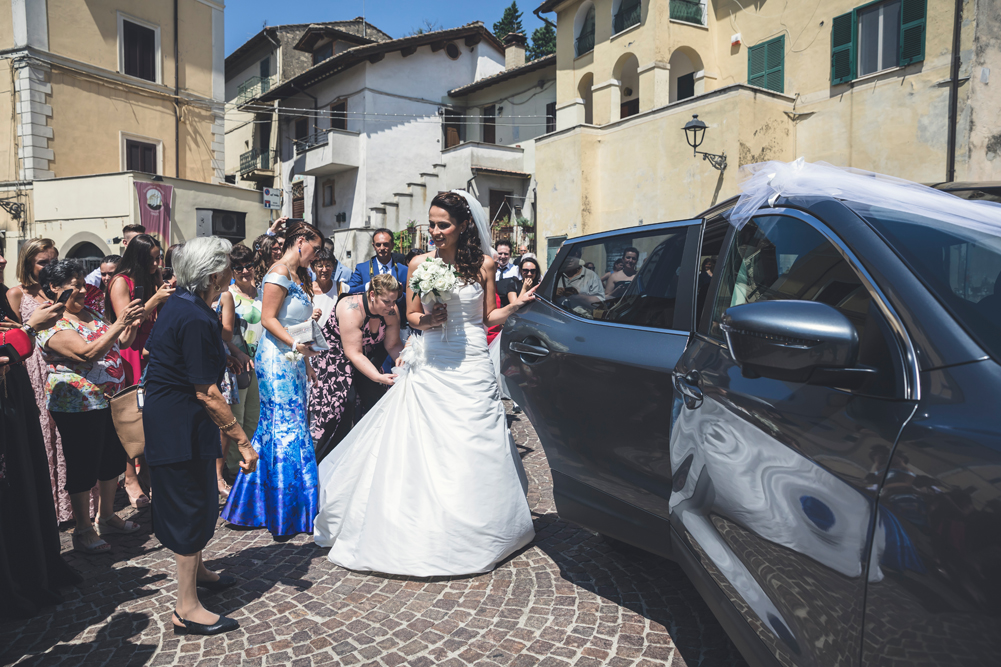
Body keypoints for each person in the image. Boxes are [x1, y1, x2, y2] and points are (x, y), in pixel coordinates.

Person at [313, 190, 537, 576]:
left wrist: (514, 307)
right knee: (427, 444)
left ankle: (486, 526)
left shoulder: (484, 264)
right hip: (433, 361)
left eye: (443, 224)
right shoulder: (418, 264)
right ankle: (427, 527)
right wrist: (427, 322)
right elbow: (411, 315)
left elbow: (487, 316)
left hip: (471, 363)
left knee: (476, 439)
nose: (434, 231)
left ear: (463, 225)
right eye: (431, 223)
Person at [143, 237, 258, 637]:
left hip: (184, 419)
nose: (232, 270)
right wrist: (242, 440)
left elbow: (190, 359)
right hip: (178, 424)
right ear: (213, 274)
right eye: (227, 265)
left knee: (198, 499)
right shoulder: (192, 315)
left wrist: (226, 354)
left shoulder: (189, 307)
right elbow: (205, 391)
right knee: (190, 505)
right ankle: (186, 608)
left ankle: (200, 572)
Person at [35, 260, 146, 553]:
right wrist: (120, 324)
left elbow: (118, 342)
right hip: (77, 404)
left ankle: (107, 516)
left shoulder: (92, 313)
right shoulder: (51, 320)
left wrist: (130, 325)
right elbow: (86, 352)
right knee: (83, 463)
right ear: (53, 288)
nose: (83, 290)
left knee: (111, 459)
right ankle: (83, 528)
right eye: (75, 285)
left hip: (109, 400)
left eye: (83, 283)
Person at [221, 222, 323, 539]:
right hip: (277, 359)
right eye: (315, 249)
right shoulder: (277, 272)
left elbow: (294, 321)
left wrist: (306, 353)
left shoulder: (299, 276)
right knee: (285, 427)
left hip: (293, 358)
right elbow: (268, 319)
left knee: (277, 427)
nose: (317, 257)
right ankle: (286, 508)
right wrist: (295, 345)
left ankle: (253, 504)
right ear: (301, 242)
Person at [0, 268, 83, 616]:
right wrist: (29, 329)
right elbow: (9, 348)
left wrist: (24, 333)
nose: (2, 257)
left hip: (14, 399)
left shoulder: (5, 291)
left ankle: (38, 566)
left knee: (26, 482)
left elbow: (13, 346)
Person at [4, 238, 95, 525]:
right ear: (29, 263)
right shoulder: (17, 294)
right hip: (32, 367)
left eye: (53, 260)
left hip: (61, 366)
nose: (49, 266)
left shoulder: (58, 290)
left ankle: (75, 506)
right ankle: (51, 507)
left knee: (64, 436)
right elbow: (14, 333)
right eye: (43, 261)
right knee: (44, 435)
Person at [106, 234, 174, 508]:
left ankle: (147, 470)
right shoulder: (121, 281)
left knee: (151, 416)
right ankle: (130, 477)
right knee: (131, 417)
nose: (158, 263)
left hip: (153, 351)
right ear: (139, 258)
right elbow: (125, 323)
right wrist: (156, 298)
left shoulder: (152, 278)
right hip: (130, 351)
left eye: (159, 257)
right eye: (153, 258)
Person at [309, 273, 404, 460]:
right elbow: (353, 353)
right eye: (386, 301)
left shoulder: (390, 311)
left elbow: (392, 345)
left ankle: (365, 458)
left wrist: (405, 362)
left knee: (375, 401)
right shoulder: (350, 308)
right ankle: (324, 462)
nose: (392, 307)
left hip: (366, 358)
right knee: (343, 406)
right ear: (371, 295)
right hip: (335, 359)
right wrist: (377, 376)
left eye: (395, 301)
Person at [224, 243, 263, 479]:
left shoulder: (262, 291)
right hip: (237, 365)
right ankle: (229, 469)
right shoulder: (227, 295)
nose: (245, 271)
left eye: (248, 266)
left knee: (253, 418)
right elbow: (222, 332)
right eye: (238, 268)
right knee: (235, 419)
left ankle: (245, 463)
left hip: (261, 364)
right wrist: (235, 353)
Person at [311, 248, 341, 328]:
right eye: (320, 266)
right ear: (313, 268)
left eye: (328, 265)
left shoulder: (342, 288)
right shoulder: (306, 291)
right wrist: (310, 318)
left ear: (333, 267)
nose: (324, 270)